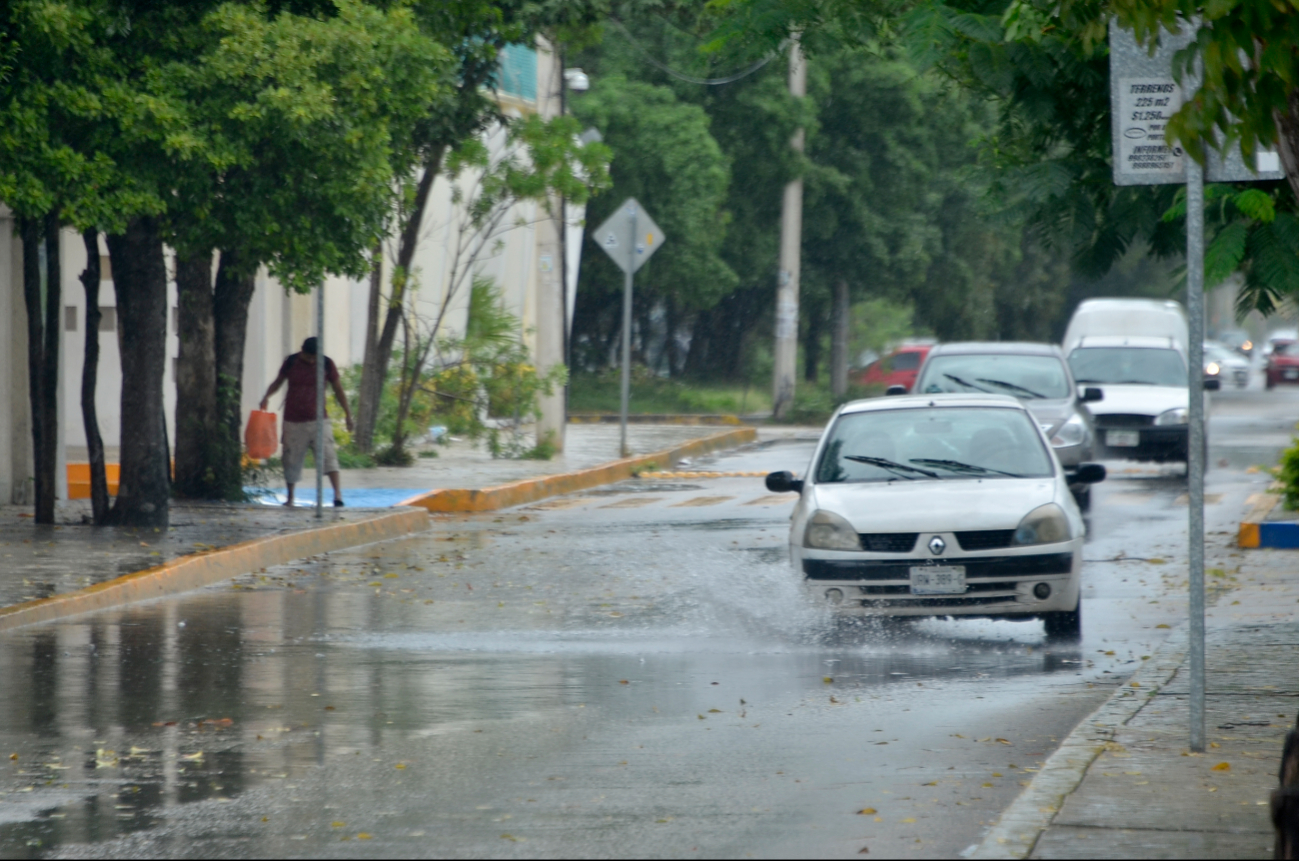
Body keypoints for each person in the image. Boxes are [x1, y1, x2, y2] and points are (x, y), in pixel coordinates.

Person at [260, 337, 353, 507]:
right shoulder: (291, 362)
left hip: (320, 420)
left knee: (329, 456)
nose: (311, 361)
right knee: (291, 459)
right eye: (308, 357)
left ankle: (337, 495)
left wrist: (348, 414)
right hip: (293, 421)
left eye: (314, 358)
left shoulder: (326, 364)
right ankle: (291, 497)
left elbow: (338, 389)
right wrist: (266, 396)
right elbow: (278, 382)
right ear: (302, 350)